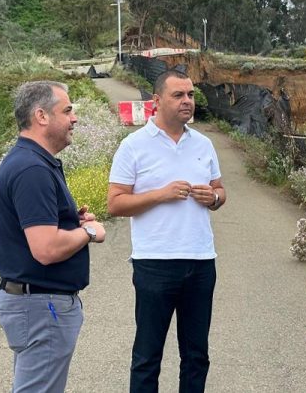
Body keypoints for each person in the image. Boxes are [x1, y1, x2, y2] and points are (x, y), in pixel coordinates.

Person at [108, 69, 226, 393]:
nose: (187, 101)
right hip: (154, 264)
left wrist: (213, 197)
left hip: (201, 262)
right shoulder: (133, 147)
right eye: (179, 95)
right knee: (147, 358)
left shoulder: (204, 144)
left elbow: (220, 191)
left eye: (190, 94)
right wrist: (161, 193)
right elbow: (115, 204)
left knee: (197, 356)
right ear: (157, 101)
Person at [0, 80, 108, 393]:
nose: (74, 118)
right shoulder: (32, 169)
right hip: (42, 306)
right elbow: (45, 249)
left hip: (36, 303)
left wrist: (71, 223)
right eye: (67, 110)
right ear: (41, 116)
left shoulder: (31, 162)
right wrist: (88, 231)